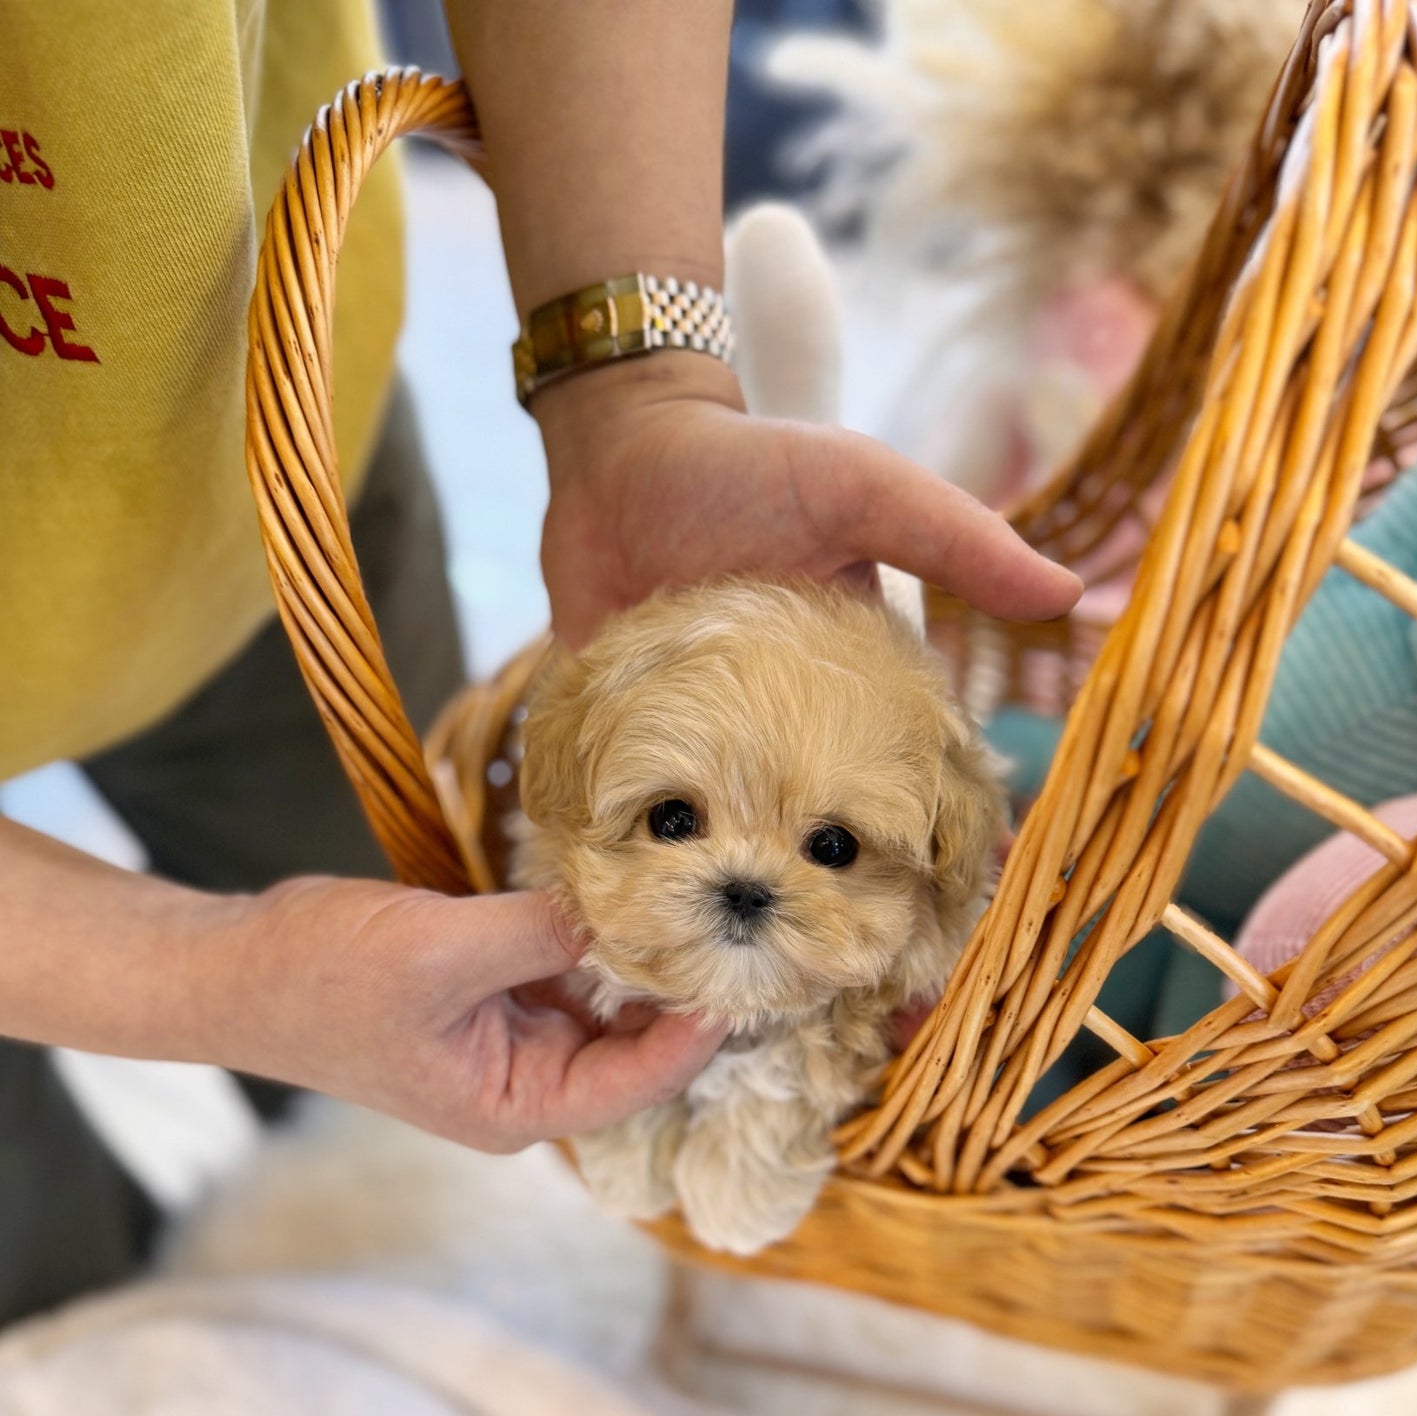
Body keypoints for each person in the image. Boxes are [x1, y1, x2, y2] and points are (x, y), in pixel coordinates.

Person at [0, 0, 1078, 1324]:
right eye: (674, 816)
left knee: (395, 1062)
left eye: (833, 847)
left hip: (274, 480)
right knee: (41, 1283)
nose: (742, 886)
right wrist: (217, 976)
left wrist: (639, 392)